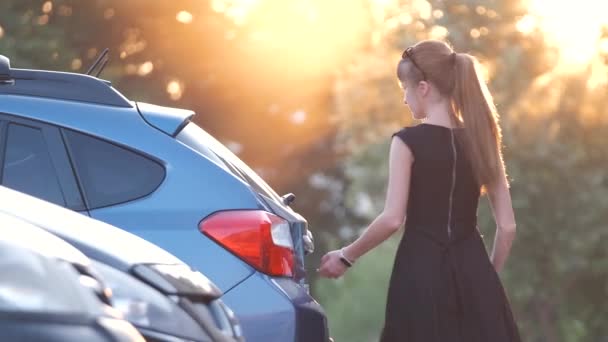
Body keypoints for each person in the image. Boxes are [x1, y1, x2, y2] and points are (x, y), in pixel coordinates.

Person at [317, 40, 521, 341]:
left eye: (404, 88)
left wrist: (346, 256)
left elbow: (392, 219)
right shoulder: (483, 140)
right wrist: (485, 279)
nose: (404, 99)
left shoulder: (407, 142)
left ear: (423, 87)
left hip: (420, 274)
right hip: (475, 272)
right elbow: (507, 227)